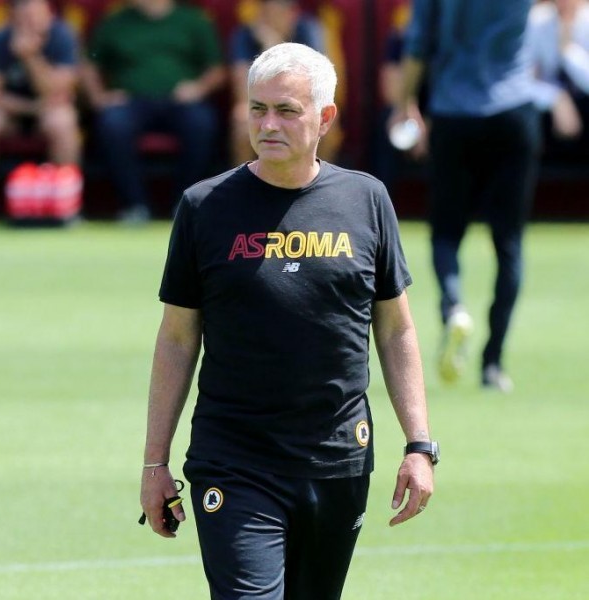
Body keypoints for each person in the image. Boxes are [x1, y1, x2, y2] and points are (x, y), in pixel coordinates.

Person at [140, 42, 437, 600]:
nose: (267, 123)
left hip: (337, 458)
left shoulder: (366, 200)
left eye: (286, 110)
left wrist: (419, 445)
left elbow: (396, 329)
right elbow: (178, 339)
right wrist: (155, 461)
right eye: (257, 109)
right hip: (234, 459)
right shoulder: (204, 207)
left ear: (324, 118)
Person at [389, 0, 542, 392]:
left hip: (454, 115)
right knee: (509, 243)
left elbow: (418, 45)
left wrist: (404, 105)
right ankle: (493, 364)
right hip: (514, 111)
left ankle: (453, 306)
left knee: (445, 233)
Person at [82, 0, 226, 223]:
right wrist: (99, 97)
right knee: (112, 123)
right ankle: (134, 205)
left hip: (180, 101)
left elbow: (216, 69)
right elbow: (89, 66)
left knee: (202, 122)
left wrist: (198, 88)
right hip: (132, 102)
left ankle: (185, 203)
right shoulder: (116, 22)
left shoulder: (192, 20)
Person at [0, 0, 80, 220]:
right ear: (12, 18)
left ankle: (67, 204)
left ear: (48, 14)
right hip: (13, 112)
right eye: (23, 18)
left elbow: (58, 90)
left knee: (62, 121)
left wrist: (30, 57)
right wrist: (31, 108)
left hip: (48, 111)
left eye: (36, 16)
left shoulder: (62, 36)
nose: (30, 23)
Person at [228, 0, 327, 165]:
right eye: (267, 13)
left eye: (279, 13)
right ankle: (243, 184)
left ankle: (319, 179)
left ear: (292, 13)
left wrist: (274, 44)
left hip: (300, 102)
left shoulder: (308, 30)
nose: (271, 19)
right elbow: (242, 90)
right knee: (241, 118)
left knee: (324, 118)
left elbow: (315, 82)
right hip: (259, 102)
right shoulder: (244, 34)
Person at [526, 0, 589, 164]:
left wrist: (567, 51)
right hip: (549, 113)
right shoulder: (537, 20)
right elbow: (522, 80)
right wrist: (556, 97)